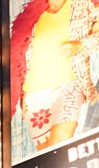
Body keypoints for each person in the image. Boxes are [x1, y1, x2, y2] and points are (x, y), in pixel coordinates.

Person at [11, 0, 99, 153]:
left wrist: (79, 46)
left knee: (60, 143)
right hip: (33, 94)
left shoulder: (86, 4)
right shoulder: (31, 13)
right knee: (47, 158)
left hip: (69, 85)